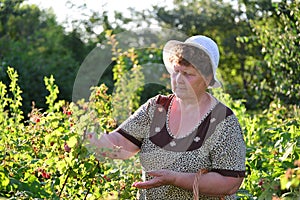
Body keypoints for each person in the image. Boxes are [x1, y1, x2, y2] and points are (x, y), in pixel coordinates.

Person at [87, 35, 246, 199]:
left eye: (188, 74)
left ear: (207, 79)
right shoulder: (156, 108)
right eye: (176, 71)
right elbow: (120, 143)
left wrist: (176, 179)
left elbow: (230, 181)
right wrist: (86, 141)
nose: (178, 79)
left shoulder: (222, 121)